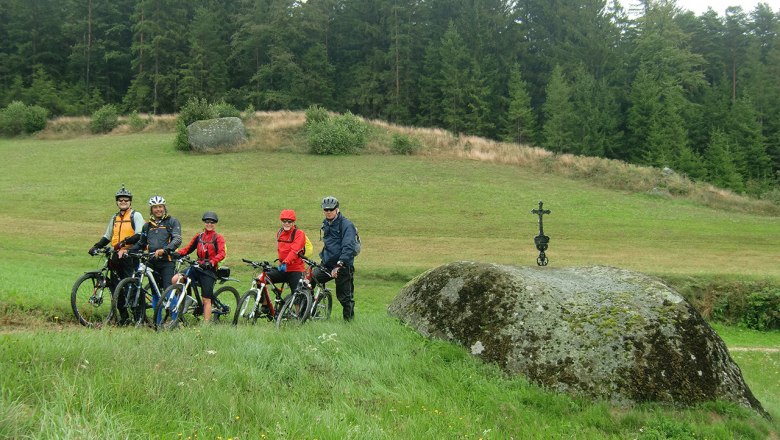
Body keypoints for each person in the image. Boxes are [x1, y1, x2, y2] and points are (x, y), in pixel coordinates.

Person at [88, 184, 145, 324]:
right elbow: (107, 236)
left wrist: (124, 244)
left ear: (130, 201)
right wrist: (96, 246)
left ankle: (139, 316)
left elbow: (140, 234)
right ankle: (124, 317)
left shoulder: (135, 215)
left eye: (126, 200)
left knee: (131, 285)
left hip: (130, 255)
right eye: (120, 200)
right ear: (117, 202)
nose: (123, 202)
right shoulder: (114, 218)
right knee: (115, 286)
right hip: (116, 255)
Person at [122, 195, 182, 313]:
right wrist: (128, 251)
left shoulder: (172, 222)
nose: (158, 209)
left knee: (168, 290)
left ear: (164, 208)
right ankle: (157, 322)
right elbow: (141, 243)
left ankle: (174, 321)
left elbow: (177, 239)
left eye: (160, 207)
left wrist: (165, 250)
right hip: (152, 262)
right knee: (155, 292)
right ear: (151, 210)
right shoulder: (147, 226)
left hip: (167, 261)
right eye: (155, 207)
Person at [174, 211, 226, 322]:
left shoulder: (218, 238)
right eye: (207, 222)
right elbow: (188, 249)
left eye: (212, 222)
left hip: (209, 270)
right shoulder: (199, 236)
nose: (209, 224)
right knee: (176, 279)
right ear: (204, 223)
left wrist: (212, 262)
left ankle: (206, 325)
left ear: (215, 224)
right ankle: (186, 299)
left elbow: (222, 253)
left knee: (206, 299)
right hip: (197, 267)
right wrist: (178, 253)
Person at [313, 196, 357, 321]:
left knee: (344, 297)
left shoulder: (347, 225)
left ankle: (349, 324)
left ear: (337, 209)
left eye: (331, 209)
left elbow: (348, 247)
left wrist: (339, 264)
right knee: (310, 279)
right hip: (327, 264)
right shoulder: (325, 223)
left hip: (343, 266)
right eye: (325, 209)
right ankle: (309, 313)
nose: (328, 212)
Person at [266, 209, 307, 299]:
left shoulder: (299, 234)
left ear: (293, 222)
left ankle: (298, 312)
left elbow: (295, 251)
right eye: (284, 221)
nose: (287, 223)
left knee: (297, 297)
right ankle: (265, 305)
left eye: (289, 221)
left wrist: (286, 262)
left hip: (296, 270)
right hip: (283, 269)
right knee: (261, 279)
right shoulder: (280, 233)